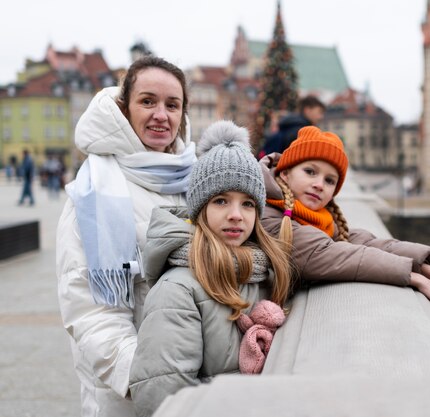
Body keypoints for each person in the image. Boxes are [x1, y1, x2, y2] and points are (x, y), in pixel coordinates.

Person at [56, 56, 197, 417]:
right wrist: (146, 380)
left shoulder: (194, 179)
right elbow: (88, 309)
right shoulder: (93, 192)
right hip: (127, 392)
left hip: (193, 378)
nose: (161, 115)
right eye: (147, 101)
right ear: (124, 108)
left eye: (172, 104)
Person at [129, 120, 291, 417]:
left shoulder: (264, 270)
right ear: (199, 209)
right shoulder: (177, 290)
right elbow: (163, 397)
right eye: (220, 201)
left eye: (247, 204)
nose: (235, 216)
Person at [260, 126, 430, 324]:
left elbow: (363, 242)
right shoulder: (268, 214)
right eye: (310, 171)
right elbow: (324, 253)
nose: (319, 184)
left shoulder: (318, 218)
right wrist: (413, 277)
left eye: (329, 180)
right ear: (285, 173)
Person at [258, 95, 326, 158]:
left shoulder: (290, 126)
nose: (321, 117)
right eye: (319, 112)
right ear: (307, 110)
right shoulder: (300, 132)